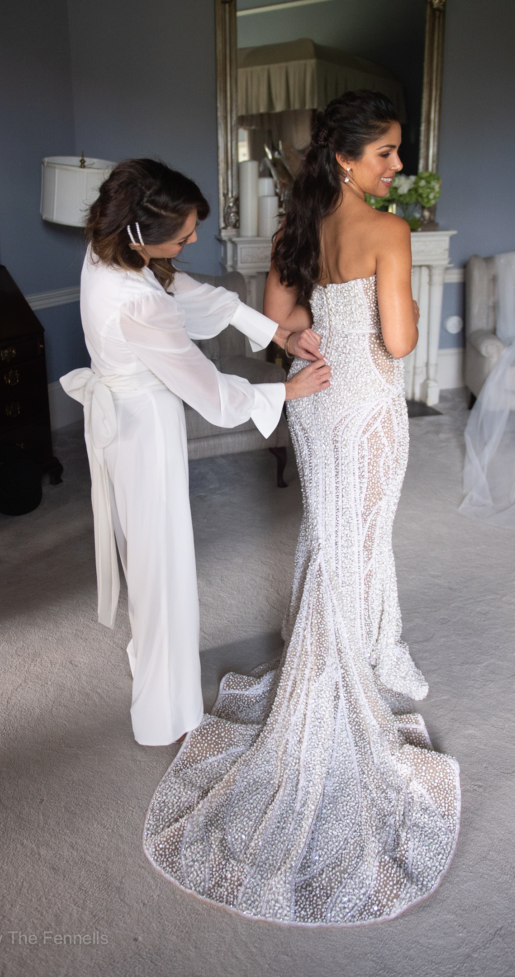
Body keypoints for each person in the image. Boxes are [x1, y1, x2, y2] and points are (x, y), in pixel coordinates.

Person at [144, 93, 460, 925]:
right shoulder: (387, 234)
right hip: (364, 408)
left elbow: (281, 324)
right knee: (356, 544)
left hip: (314, 404)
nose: (398, 167)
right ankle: (343, 676)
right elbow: (397, 344)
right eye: (386, 153)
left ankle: (370, 650)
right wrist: (406, 310)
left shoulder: (297, 229)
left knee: (333, 538)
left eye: (397, 153)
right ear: (349, 159)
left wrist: (313, 335)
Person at [60, 159, 330, 747]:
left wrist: (276, 333)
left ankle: (149, 662)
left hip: (120, 424)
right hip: (145, 431)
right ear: (140, 232)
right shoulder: (139, 302)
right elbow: (211, 394)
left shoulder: (107, 254)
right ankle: (167, 713)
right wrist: (286, 388)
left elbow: (192, 292)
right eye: (182, 235)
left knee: (146, 557)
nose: (192, 241)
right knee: (166, 568)